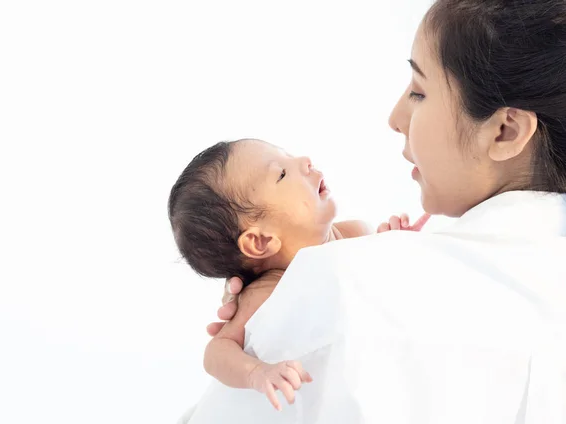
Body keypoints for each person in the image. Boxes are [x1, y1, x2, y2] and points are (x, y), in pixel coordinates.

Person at [199, 0, 566, 422]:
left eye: (419, 91)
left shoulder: (342, 290)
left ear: (506, 131)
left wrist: (272, 332)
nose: (395, 117)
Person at [168, 138, 429, 410]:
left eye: (289, 155)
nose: (304, 160)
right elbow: (216, 352)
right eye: (281, 174)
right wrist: (256, 372)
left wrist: (395, 244)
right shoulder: (269, 291)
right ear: (260, 241)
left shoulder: (357, 233)